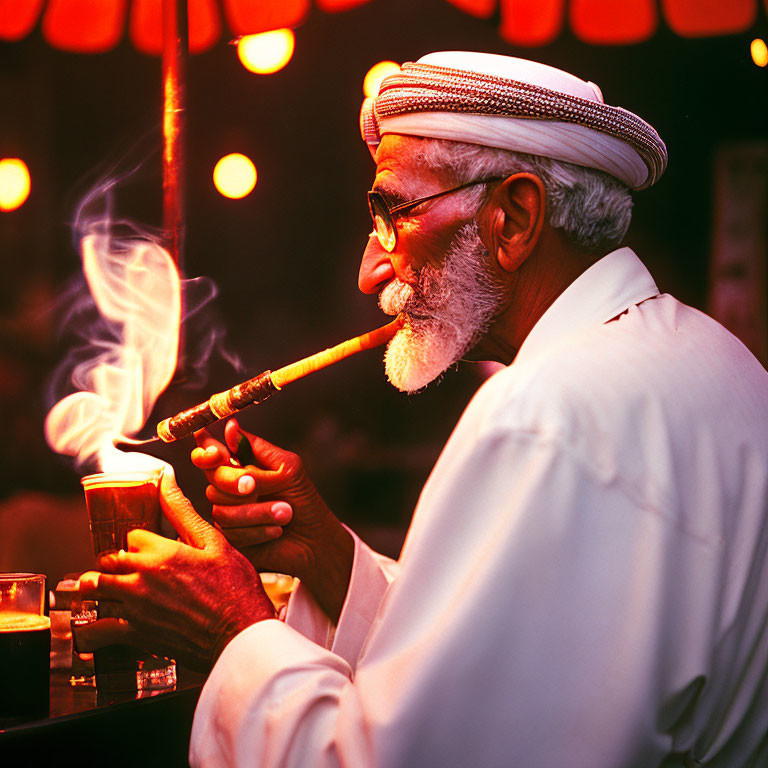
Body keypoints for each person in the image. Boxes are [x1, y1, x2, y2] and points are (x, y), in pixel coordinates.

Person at [81, 52, 768, 767]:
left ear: (515, 217)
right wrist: (331, 561)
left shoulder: (543, 414)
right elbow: (515, 667)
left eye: (391, 212)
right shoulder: (711, 356)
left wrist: (232, 627)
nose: (371, 269)